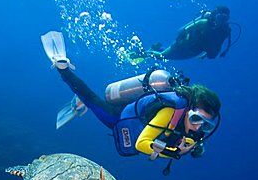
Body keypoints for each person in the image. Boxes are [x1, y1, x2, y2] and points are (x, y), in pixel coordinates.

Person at [41, 31, 221, 171]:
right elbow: (141, 144)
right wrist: (175, 154)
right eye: (196, 119)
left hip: (137, 110)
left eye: (206, 125)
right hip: (120, 118)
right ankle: (62, 68)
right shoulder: (170, 112)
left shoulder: (192, 125)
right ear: (189, 109)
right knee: (91, 99)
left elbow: (189, 140)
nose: (198, 127)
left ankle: (79, 98)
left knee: (92, 100)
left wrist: (195, 147)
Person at [128, 6, 234, 63]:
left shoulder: (225, 32)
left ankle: (158, 47)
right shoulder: (205, 23)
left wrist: (205, 55)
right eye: (220, 17)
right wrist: (180, 42)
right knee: (162, 57)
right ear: (216, 16)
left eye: (225, 18)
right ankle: (137, 54)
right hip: (184, 45)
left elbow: (217, 45)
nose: (222, 20)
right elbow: (185, 30)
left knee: (168, 56)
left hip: (193, 52)